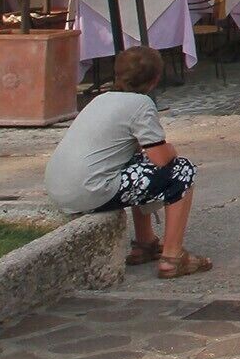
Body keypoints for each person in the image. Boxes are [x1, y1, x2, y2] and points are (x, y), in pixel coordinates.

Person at [45, 46, 211, 279]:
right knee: (182, 170)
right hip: (90, 190)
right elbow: (160, 158)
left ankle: (145, 243)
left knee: (135, 162)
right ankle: (173, 257)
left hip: (60, 188)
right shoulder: (140, 105)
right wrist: (171, 149)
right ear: (154, 80)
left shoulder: (100, 100)